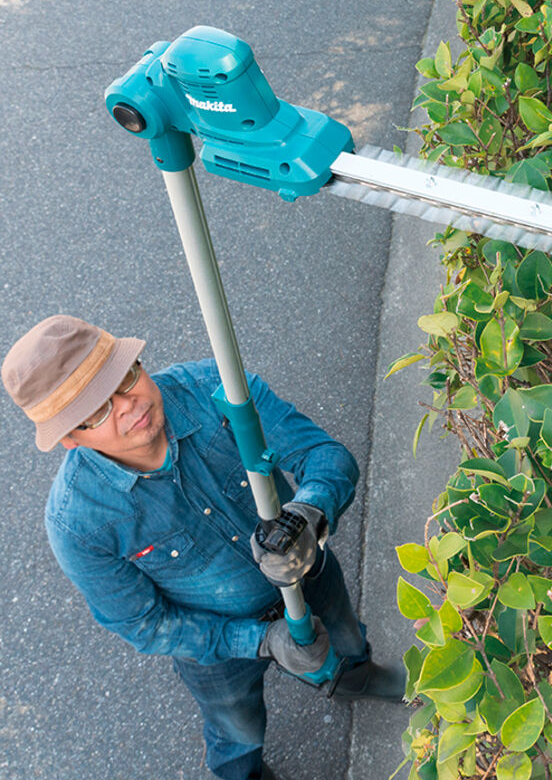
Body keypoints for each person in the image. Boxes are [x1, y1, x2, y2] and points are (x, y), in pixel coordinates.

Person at [2, 314, 405, 780]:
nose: (127, 405)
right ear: (70, 439)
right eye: (96, 413)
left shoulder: (216, 387)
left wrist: (307, 513)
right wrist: (262, 642)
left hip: (307, 568)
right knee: (237, 728)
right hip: (217, 645)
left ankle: (354, 678)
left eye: (124, 377)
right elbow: (145, 624)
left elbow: (325, 456)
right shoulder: (77, 523)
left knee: (346, 636)